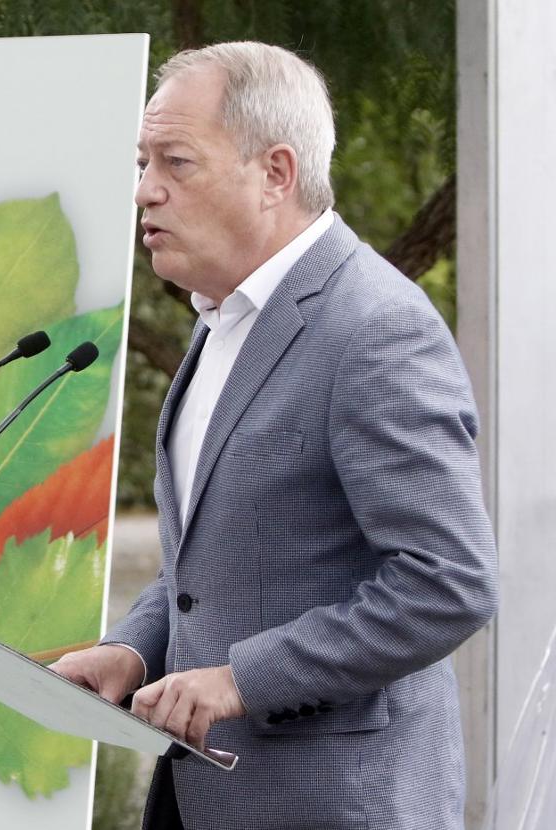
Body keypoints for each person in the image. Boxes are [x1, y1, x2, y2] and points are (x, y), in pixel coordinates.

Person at [51, 42, 497, 829]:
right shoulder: (221, 319)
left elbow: (448, 582)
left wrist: (241, 680)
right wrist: (132, 649)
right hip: (206, 794)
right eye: (141, 161)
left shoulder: (375, 329)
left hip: (336, 802)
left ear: (276, 173)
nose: (144, 191)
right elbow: (214, 565)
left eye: (175, 162)